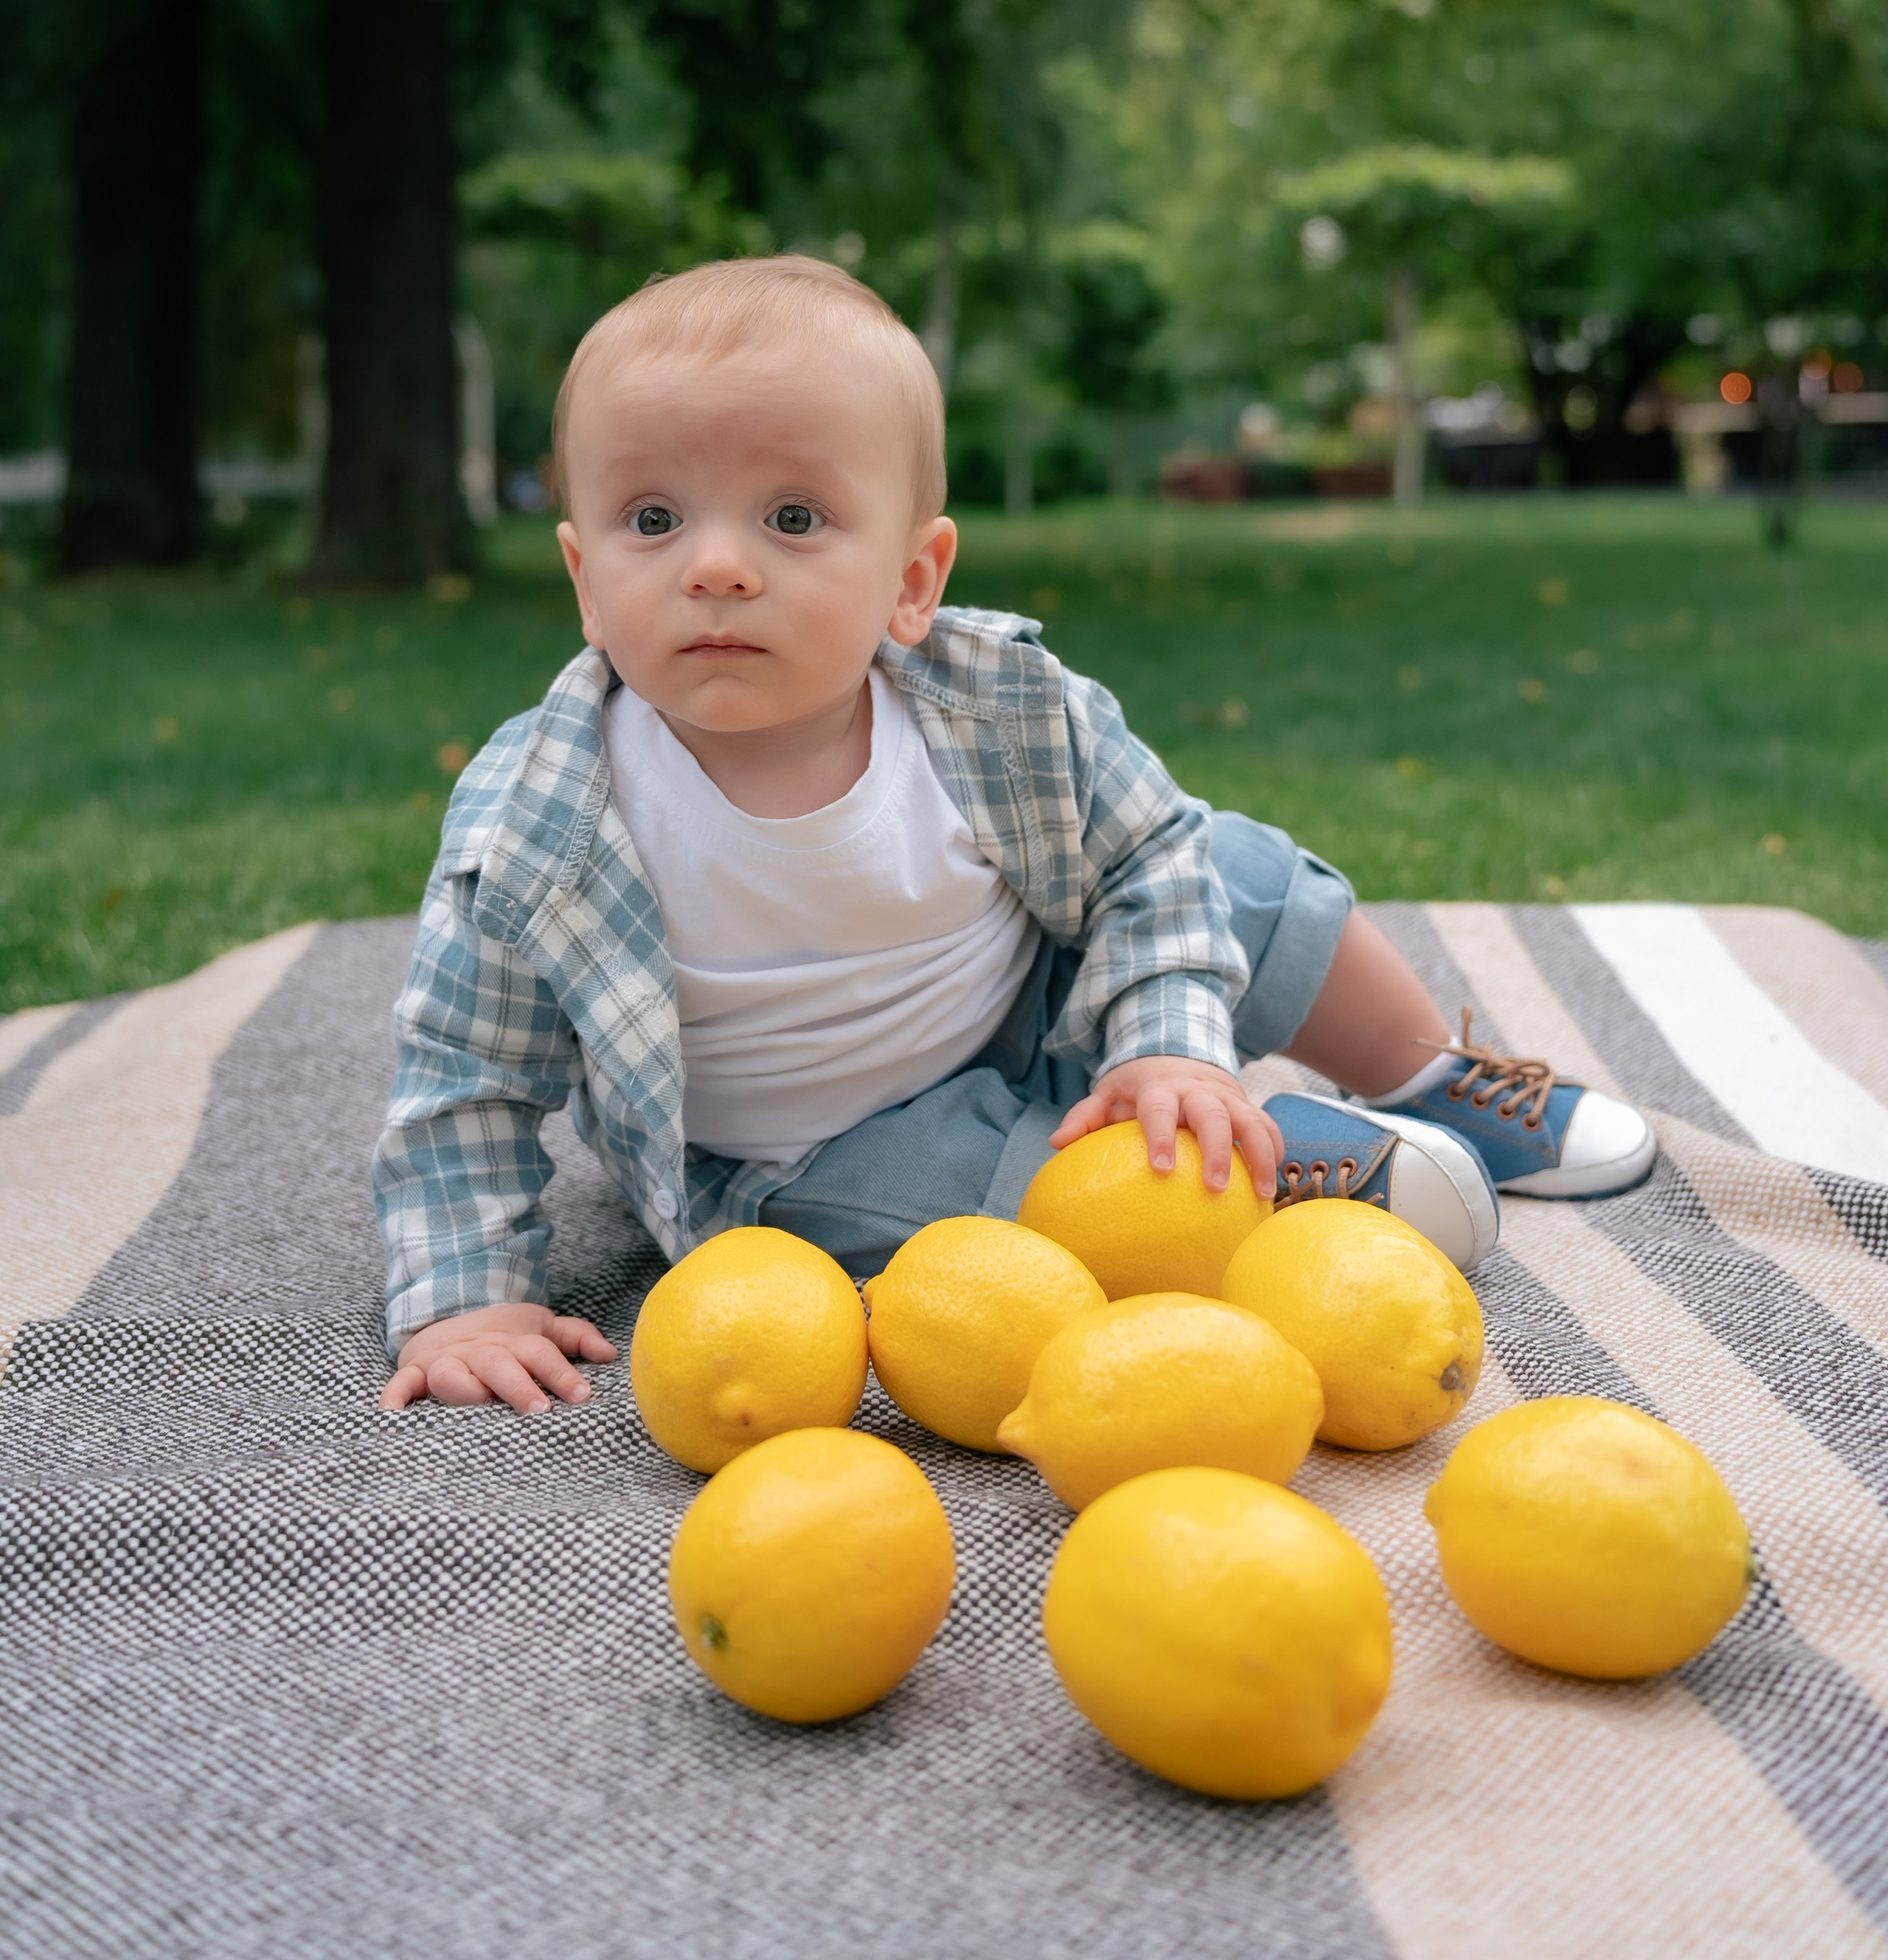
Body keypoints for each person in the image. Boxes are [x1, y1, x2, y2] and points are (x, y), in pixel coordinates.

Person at [374, 256, 1653, 1416]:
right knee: (959, 1218)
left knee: (1230, 864)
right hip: (813, 1141)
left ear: (914, 580)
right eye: (653, 521)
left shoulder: (997, 707)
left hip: (1036, 990)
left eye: (793, 519)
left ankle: (1426, 1074)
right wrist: (465, 1293)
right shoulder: (540, 815)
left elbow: (1150, 866)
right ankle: (1285, 1181)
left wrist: (1164, 1047)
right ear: (587, 579)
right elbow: (466, 1070)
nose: (717, 567)